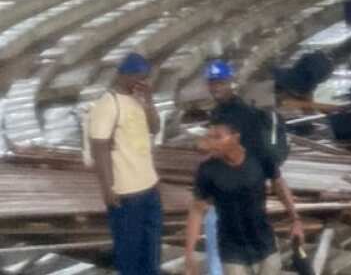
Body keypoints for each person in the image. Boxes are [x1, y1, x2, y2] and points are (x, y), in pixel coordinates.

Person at [185, 119, 304, 275]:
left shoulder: (260, 157)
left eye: (218, 137)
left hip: (265, 245)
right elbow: (197, 210)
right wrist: (189, 254)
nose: (211, 143)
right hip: (232, 251)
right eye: (209, 137)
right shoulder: (207, 170)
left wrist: (295, 219)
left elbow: (279, 183)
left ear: (236, 137)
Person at [89, 52, 163, 275]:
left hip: (149, 188)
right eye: (138, 77)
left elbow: (155, 128)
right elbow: (98, 147)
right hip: (126, 193)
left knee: (151, 252)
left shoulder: (138, 99)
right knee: (129, 254)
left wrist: (149, 101)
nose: (142, 82)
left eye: (145, 78)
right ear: (123, 75)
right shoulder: (108, 103)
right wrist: (107, 188)